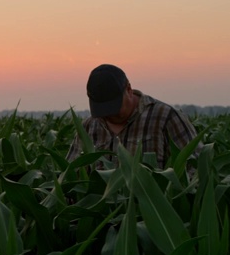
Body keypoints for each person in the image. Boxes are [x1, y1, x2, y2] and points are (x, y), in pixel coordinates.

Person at [66, 64, 201, 175]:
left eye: (114, 107)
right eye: (103, 110)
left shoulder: (165, 118)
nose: (109, 115)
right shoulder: (88, 127)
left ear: (129, 90)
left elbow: (196, 169)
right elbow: (71, 176)